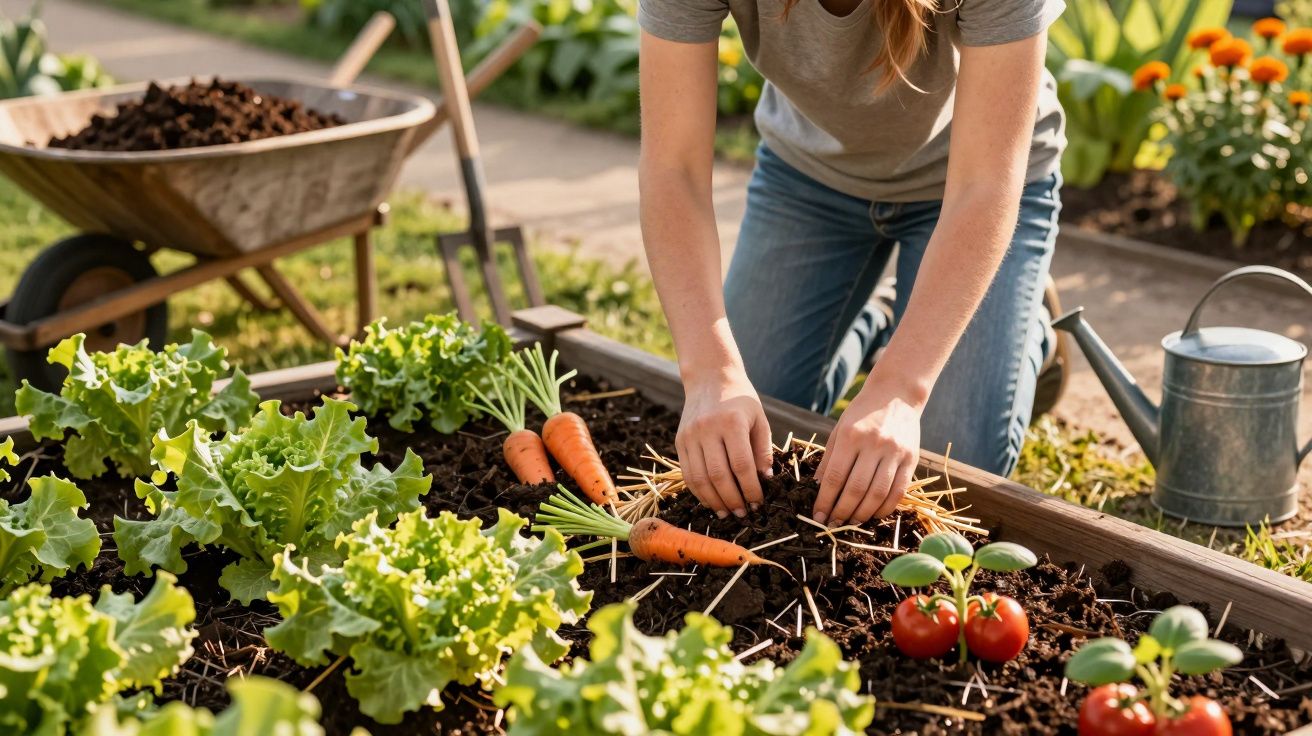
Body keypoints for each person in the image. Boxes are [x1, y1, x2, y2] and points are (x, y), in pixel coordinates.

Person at [637, 0, 1066, 528]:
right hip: (810, 179)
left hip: (970, 188)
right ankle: (890, 315)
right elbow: (672, 169)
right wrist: (710, 373)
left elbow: (985, 186)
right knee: (751, 431)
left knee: (950, 466)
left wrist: (900, 391)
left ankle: (1029, 330)